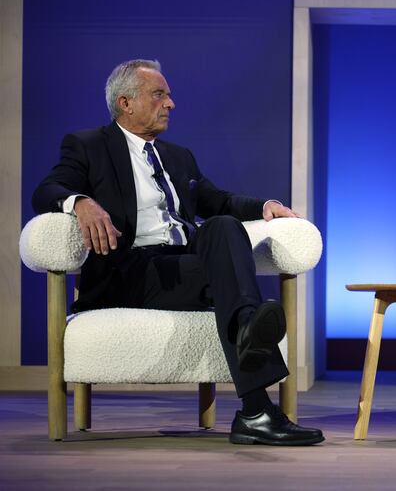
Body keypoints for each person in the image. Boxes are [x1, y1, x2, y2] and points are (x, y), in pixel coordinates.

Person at [33, 59, 324, 446]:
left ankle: (252, 367)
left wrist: (264, 206)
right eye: (159, 95)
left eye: (168, 95)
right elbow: (46, 191)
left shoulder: (178, 156)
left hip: (180, 267)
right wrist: (80, 202)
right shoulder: (88, 146)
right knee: (232, 289)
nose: (170, 103)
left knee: (222, 227)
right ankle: (256, 405)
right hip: (131, 272)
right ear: (125, 102)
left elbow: (215, 200)